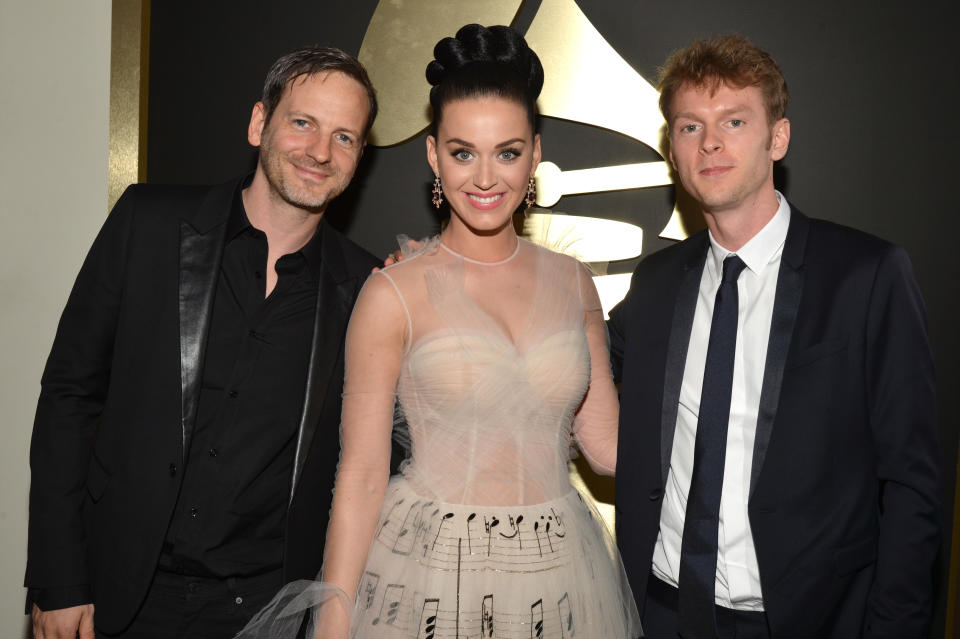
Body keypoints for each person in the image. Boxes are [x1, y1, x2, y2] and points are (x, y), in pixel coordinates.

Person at [237, 24, 641, 639]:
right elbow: (363, 473)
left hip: (559, 574)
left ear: (534, 155)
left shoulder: (574, 283)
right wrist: (333, 623)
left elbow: (610, 449)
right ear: (433, 155)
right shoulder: (393, 291)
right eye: (462, 152)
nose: (485, 178)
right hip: (428, 575)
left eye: (506, 152)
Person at [25, 46, 381, 639]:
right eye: (303, 123)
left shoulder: (370, 290)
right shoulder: (148, 223)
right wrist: (60, 577)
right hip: (116, 596)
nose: (320, 152)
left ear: (359, 158)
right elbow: (69, 395)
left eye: (344, 138)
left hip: (265, 611)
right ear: (258, 123)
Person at [609, 34, 940, 638]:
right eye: (690, 127)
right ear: (673, 149)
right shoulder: (656, 283)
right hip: (659, 611)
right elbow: (562, 360)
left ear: (777, 137)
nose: (710, 142)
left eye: (734, 120)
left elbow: (914, 482)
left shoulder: (866, 275)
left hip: (806, 620)